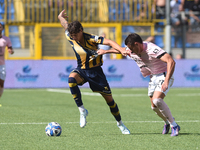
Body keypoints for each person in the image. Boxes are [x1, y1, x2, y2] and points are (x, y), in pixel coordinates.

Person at [57, 10, 130, 134]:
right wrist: (60, 17)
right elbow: (65, 25)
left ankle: (120, 124)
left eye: (75, 35)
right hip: (82, 70)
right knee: (71, 80)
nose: (73, 37)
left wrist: (121, 49)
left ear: (81, 31)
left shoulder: (91, 38)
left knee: (110, 102)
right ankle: (82, 111)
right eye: (72, 35)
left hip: (96, 73)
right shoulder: (70, 35)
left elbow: (110, 42)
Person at [97, 33, 181, 136]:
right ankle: (167, 122)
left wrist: (166, 80)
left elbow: (171, 61)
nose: (130, 50)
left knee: (157, 100)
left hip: (164, 75)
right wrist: (106, 51)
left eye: (131, 47)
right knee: (154, 107)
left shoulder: (151, 49)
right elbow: (122, 50)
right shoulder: (132, 49)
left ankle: (174, 125)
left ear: (136, 44)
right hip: (153, 77)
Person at [0, 23, 14, 99]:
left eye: (0, 27)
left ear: (2, 28)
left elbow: (10, 48)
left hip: (2, 65)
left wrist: (11, 51)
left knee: (1, 84)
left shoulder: (6, 39)